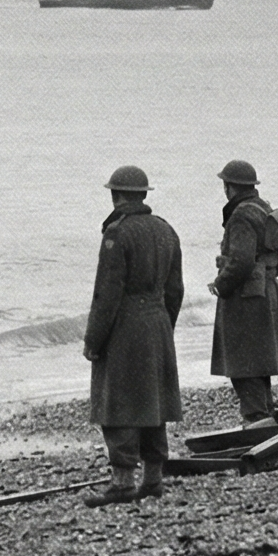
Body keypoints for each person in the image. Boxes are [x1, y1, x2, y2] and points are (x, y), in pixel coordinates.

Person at [82, 165, 185, 507]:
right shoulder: (166, 230)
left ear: (115, 194)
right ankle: (153, 478)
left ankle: (123, 481)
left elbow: (107, 294)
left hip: (126, 326)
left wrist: (93, 341)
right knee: (152, 402)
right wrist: (163, 326)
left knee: (119, 404)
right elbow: (175, 289)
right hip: (158, 323)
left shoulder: (117, 233)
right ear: (143, 194)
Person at [208, 158, 278, 426]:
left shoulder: (242, 214)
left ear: (229, 186)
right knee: (260, 360)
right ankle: (266, 415)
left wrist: (221, 285)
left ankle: (257, 421)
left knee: (244, 363)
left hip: (246, 298)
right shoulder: (264, 209)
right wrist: (268, 274)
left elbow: (242, 260)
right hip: (266, 292)